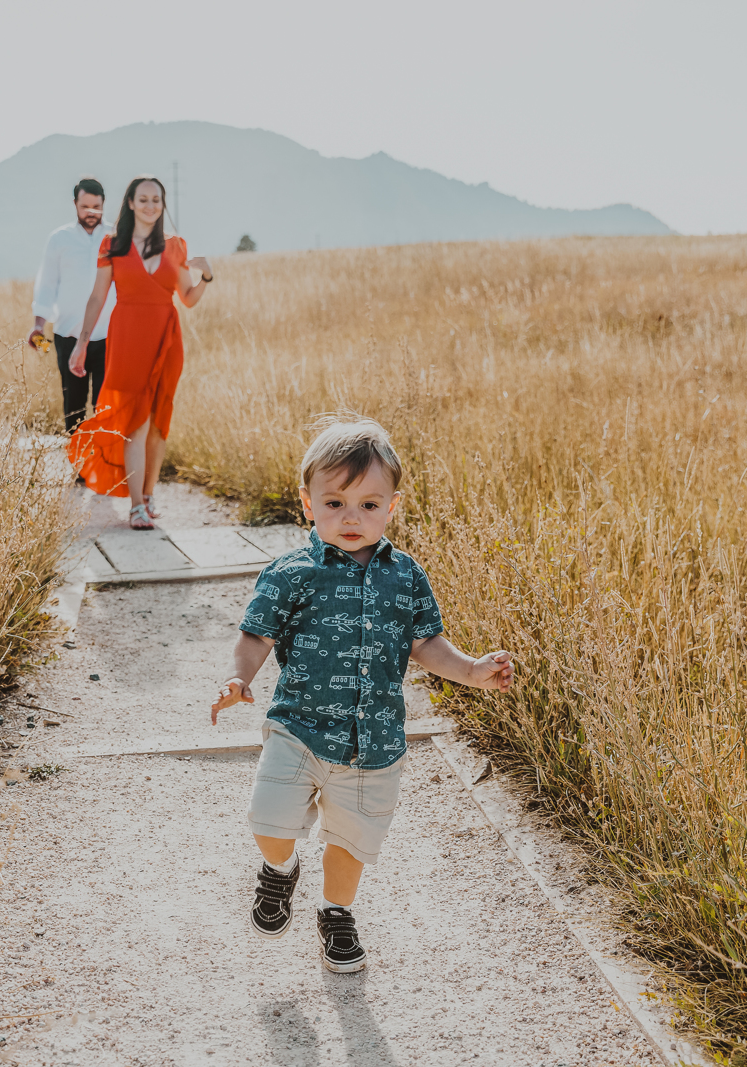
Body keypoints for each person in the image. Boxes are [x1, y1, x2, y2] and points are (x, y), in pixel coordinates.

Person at [210, 419, 516, 972]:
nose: (352, 518)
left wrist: (471, 670)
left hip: (373, 741)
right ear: (308, 505)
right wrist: (240, 678)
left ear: (392, 507)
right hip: (298, 728)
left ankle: (334, 913)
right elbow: (256, 634)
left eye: (369, 505)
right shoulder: (291, 574)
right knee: (268, 822)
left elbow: (427, 644)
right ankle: (280, 871)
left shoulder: (406, 576)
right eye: (335, 502)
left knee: (351, 844)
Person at [67, 176, 213, 529]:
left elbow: (188, 299)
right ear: (130, 203)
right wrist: (82, 342)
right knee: (135, 420)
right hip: (128, 339)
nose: (150, 205)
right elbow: (98, 297)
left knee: (158, 424)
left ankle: (147, 496)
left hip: (166, 338)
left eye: (156, 200)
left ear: (163, 204)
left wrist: (205, 278)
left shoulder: (175, 246)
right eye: (143, 199)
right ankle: (135, 505)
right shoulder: (112, 245)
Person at [30, 177, 117, 433]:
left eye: (97, 207)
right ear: (75, 204)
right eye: (85, 206)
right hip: (67, 334)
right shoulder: (59, 239)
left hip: (109, 335)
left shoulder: (116, 238)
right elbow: (47, 283)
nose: (91, 213)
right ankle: (79, 469)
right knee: (74, 406)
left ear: (104, 204)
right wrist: (38, 325)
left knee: (105, 405)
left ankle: (103, 467)